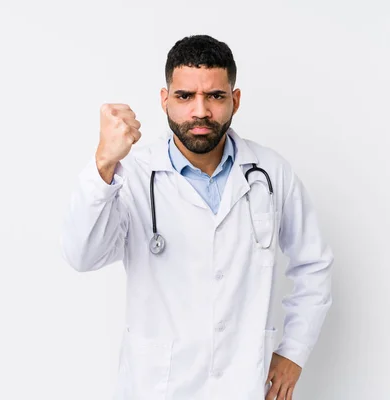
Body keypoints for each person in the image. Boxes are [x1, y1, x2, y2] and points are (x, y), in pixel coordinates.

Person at [60, 34, 334, 400]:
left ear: (234, 100)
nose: (200, 111)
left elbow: (313, 265)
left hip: (243, 384)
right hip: (156, 387)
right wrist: (104, 163)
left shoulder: (270, 173)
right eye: (185, 96)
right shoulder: (136, 175)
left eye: (216, 96)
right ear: (165, 100)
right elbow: (82, 255)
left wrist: (294, 352)